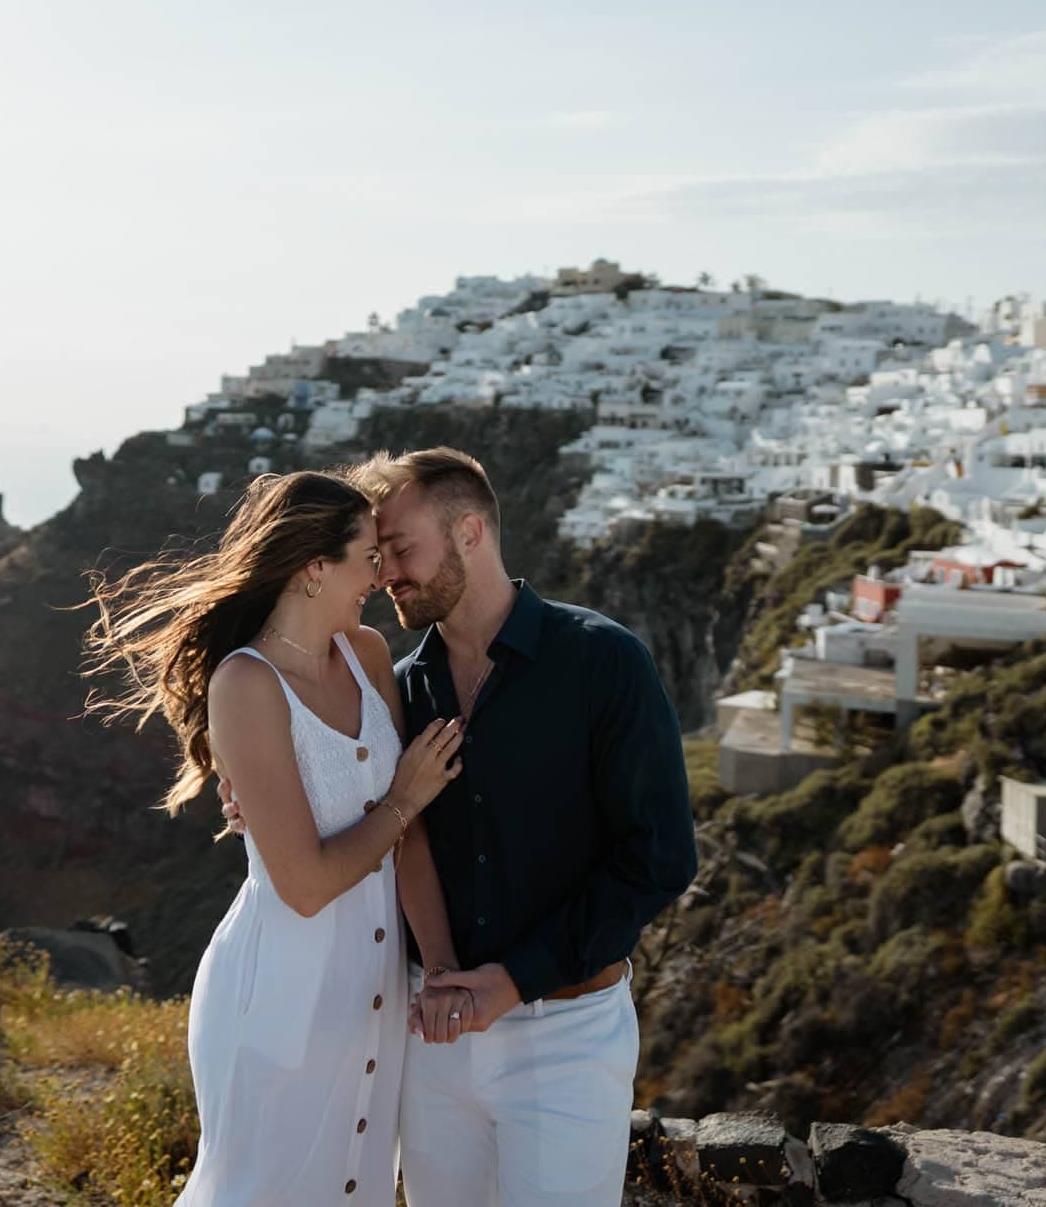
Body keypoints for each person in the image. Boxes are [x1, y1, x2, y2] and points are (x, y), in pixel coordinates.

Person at [83, 470, 466, 1204]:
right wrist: (402, 800)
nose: (380, 575)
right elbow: (306, 883)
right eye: (366, 557)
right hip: (282, 993)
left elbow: (407, 844)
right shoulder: (246, 685)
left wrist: (440, 965)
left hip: (375, 995)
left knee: (356, 1189)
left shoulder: (368, 654)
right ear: (315, 568)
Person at [360, 446, 697, 1207]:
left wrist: (511, 983)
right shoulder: (402, 689)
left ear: (470, 533)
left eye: (402, 549)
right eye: (378, 556)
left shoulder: (603, 663)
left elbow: (660, 858)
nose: (386, 574)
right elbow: (388, 831)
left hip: (566, 1038)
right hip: (434, 1033)